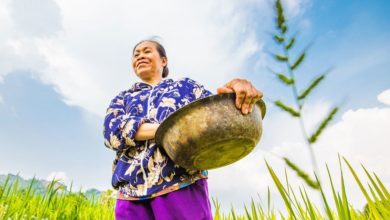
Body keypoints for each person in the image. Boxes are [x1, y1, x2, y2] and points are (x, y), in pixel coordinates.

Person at [103, 39, 263, 220]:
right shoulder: (123, 98)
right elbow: (111, 132)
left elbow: (218, 115)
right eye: (136, 54)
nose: (140, 56)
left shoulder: (185, 88)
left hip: (181, 184)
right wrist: (169, 130)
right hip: (129, 195)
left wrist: (236, 89)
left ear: (163, 61)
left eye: (146, 51)